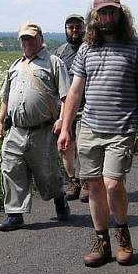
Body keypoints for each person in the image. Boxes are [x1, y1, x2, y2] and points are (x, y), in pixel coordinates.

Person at [57, 0, 138, 267]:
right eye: (103, 13)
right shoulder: (87, 49)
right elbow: (75, 92)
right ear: (95, 16)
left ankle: (123, 234)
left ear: (120, 15)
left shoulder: (136, 47)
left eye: (112, 12)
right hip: (89, 127)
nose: (108, 17)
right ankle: (102, 242)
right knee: (95, 185)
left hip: (121, 129)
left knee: (113, 184)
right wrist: (66, 128)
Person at [0, 22, 71, 231]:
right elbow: (6, 97)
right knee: (11, 168)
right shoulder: (15, 66)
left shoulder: (54, 63)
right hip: (16, 130)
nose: (27, 42)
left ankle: (59, 197)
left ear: (41, 39)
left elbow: (66, 96)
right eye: (23, 39)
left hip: (43, 131)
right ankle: (14, 214)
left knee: (47, 174)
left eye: (30, 38)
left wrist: (62, 120)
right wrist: (0, 120)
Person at [54, 13, 88, 202]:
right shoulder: (60, 52)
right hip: (64, 109)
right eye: (70, 27)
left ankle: (86, 182)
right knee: (66, 147)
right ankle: (72, 181)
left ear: (84, 28)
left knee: (84, 147)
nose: (74, 30)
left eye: (78, 26)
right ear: (65, 30)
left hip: (86, 108)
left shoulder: (91, 49)